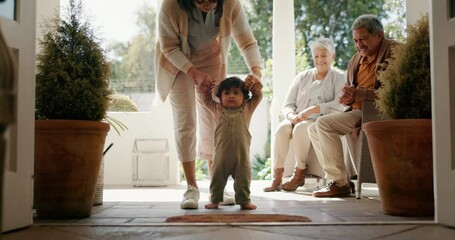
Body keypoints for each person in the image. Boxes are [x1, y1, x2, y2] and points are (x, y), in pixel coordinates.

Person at [155, 0, 262, 209]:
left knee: (215, 123)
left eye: (212, 0)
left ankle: (217, 186)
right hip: (178, 63)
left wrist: (256, 72)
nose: (207, 4)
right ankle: (191, 187)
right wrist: (193, 72)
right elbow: (169, 48)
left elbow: (247, 42)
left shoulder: (231, 4)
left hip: (211, 60)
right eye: (201, 0)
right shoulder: (170, 6)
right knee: (186, 122)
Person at [308, 14, 400, 197]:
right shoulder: (355, 60)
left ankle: (340, 183)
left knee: (323, 124)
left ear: (379, 35)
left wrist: (361, 94)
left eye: (363, 39)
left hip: (380, 112)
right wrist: (348, 99)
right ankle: (341, 180)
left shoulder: (395, 51)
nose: (359, 45)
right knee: (312, 129)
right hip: (358, 112)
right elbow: (352, 92)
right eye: (356, 40)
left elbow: (396, 92)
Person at [263, 37, 346, 192]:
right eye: (316, 56)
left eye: (324, 55)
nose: (320, 60)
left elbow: (339, 104)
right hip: (297, 118)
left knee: (301, 128)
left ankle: (299, 173)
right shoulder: (302, 76)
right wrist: (291, 116)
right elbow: (287, 105)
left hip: (320, 121)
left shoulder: (339, 77)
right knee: (282, 129)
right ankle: (277, 177)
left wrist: (313, 109)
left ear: (332, 56)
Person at [198, 75, 262, 210]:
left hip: (241, 157)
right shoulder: (218, 109)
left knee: (243, 179)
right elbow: (206, 100)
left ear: (244, 97)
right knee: (217, 179)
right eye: (226, 93)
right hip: (221, 157)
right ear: (220, 97)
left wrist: (255, 85)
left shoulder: (247, 109)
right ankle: (215, 200)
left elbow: (258, 96)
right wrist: (207, 89)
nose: (231, 96)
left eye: (236, 92)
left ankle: (244, 201)